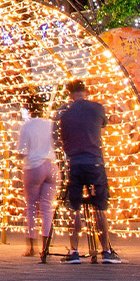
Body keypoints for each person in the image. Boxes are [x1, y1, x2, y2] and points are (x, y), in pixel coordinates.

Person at [56, 78, 121, 263]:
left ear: (69, 94)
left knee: (74, 208)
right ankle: (106, 251)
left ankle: (74, 252)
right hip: (95, 162)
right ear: (86, 91)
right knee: (100, 207)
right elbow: (103, 124)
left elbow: (60, 137)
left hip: (75, 163)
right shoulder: (97, 108)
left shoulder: (64, 113)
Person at [17, 95, 57, 259]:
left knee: (32, 207)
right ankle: (45, 246)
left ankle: (31, 246)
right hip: (52, 166)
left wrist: (19, 159)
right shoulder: (50, 124)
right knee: (47, 208)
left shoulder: (27, 126)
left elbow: (22, 151)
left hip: (34, 167)